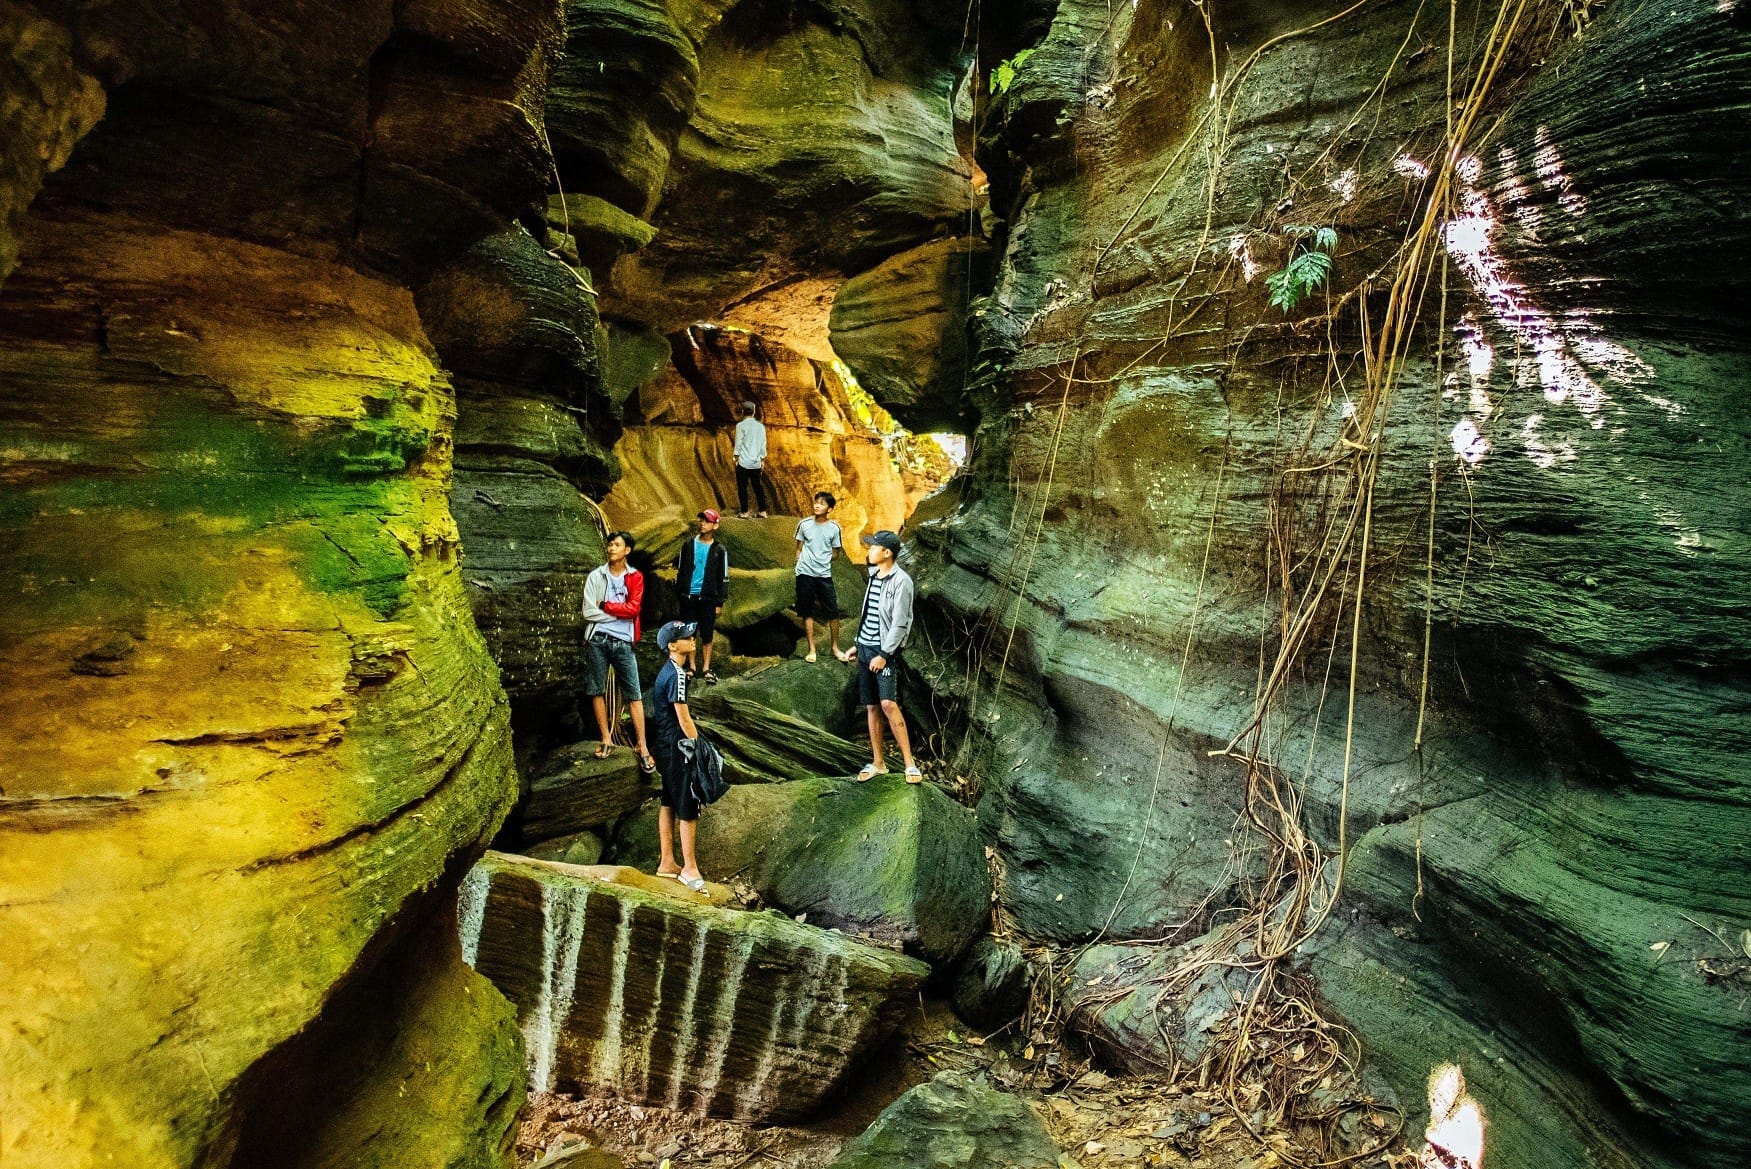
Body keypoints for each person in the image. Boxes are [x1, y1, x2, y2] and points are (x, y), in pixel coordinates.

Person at [581, 530, 656, 773]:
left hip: (623, 642)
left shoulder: (635, 577)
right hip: (597, 640)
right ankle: (606, 738)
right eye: (610, 544)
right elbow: (587, 611)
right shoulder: (596, 576)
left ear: (627, 550)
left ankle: (642, 746)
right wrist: (617, 613)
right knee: (596, 689)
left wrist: (608, 608)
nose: (611, 548)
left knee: (634, 693)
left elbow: (634, 609)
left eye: (617, 545)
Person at [853, 530, 921, 783]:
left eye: (873, 547)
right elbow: (869, 614)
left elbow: (900, 623)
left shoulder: (902, 581)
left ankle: (910, 764)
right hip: (865, 648)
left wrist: (884, 654)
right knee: (871, 706)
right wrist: (857, 644)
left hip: (884, 651)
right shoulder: (873, 576)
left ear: (887, 553)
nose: (869, 550)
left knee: (888, 704)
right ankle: (878, 762)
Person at [650, 620, 706, 891]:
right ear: (673, 646)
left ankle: (667, 862)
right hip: (676, 746)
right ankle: (689, 868)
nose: (692, 638)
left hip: (663, 745)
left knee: (669, 800)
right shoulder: (677, 675)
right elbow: (683, 719)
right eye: (686, 637)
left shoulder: (668, 672)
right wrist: (698, 747)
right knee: (687, 805)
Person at [793, 491, 848, 664]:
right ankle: (812, 649)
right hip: (805, 573)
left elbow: (836, 553)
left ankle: (835, 648)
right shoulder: (804, 524)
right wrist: (799, 559)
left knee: (832, 611)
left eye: (822, 503)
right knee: (806, 611)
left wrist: (822, 559)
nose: (817, 505)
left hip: (823, 574)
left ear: (829, 508)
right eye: (816, 502)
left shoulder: (834, 528)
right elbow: (799, 546)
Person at [675, 507, 728, 683]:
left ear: (715, 526)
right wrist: (680, 592)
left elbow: (723, 576)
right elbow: (681, 569)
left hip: (708, 598)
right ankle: (691, 667)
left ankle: (706, 668)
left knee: (707, 634)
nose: (702, 524)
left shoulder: (719, 550)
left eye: (707, 521)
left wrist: (719, 602)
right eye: (702, 520)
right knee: (689, 632)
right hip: (689, 596)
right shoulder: (689, 545)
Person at [733, 400, 770, 518]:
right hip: (756, 462)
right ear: (754, 412)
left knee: (742, 487)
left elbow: (738, 442)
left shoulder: (740, 426)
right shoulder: (760, 427)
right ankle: (763, 511)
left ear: (743, 411)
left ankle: (744, 512)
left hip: (743, 461)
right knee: (758, 487)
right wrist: (762, 459)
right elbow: (763, 444)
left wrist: (736, 457)